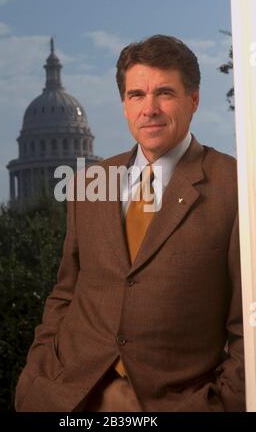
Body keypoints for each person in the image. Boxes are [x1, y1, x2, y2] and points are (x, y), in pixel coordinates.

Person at [15, 35, 245, 412]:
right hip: (69, 399)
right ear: (124, 104)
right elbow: (66, 294)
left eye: (165, 93)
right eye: (136, 94)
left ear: (194, 100)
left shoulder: (235, 186)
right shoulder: (89, 184)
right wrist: (38, 373)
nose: (149, 109)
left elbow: (246, 326)